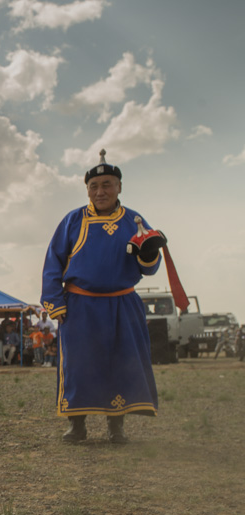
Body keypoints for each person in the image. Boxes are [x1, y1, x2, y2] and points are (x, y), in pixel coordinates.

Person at [41, 150, 163, 444]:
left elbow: (150, 268)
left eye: (107, 185)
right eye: (94, 186)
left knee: (121, 363)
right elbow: (53, 262)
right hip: (80, 306)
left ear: (119, 187)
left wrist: (149, 254)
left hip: (123, 303)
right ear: (87, 190)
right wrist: (55, 302)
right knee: (79, 366)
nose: (100, 192)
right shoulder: (73, 221)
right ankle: (77, 425)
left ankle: (116, 427)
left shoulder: (134, 220)